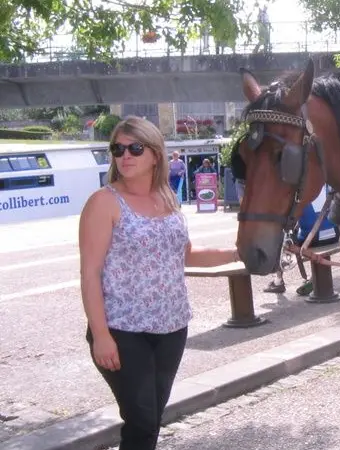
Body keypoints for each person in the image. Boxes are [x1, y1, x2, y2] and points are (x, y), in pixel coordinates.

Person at [78, 116, 240, 450]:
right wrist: (102, 336)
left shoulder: (167, 198)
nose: (125, 155)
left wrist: (239, 253)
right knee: (140, 419)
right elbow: (90, 273)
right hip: (122, 329)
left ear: (155, 154)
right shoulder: (104, 202)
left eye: (135, 148)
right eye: (118, 148)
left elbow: (186, 255)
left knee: (150, 420)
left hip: (171, 328)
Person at [264, 185, 340, 295]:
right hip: (334, 235)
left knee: (283, 240)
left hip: (313, 238)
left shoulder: (297, 192)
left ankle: (278, 281)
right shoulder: (326, 184)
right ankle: (312, 277)